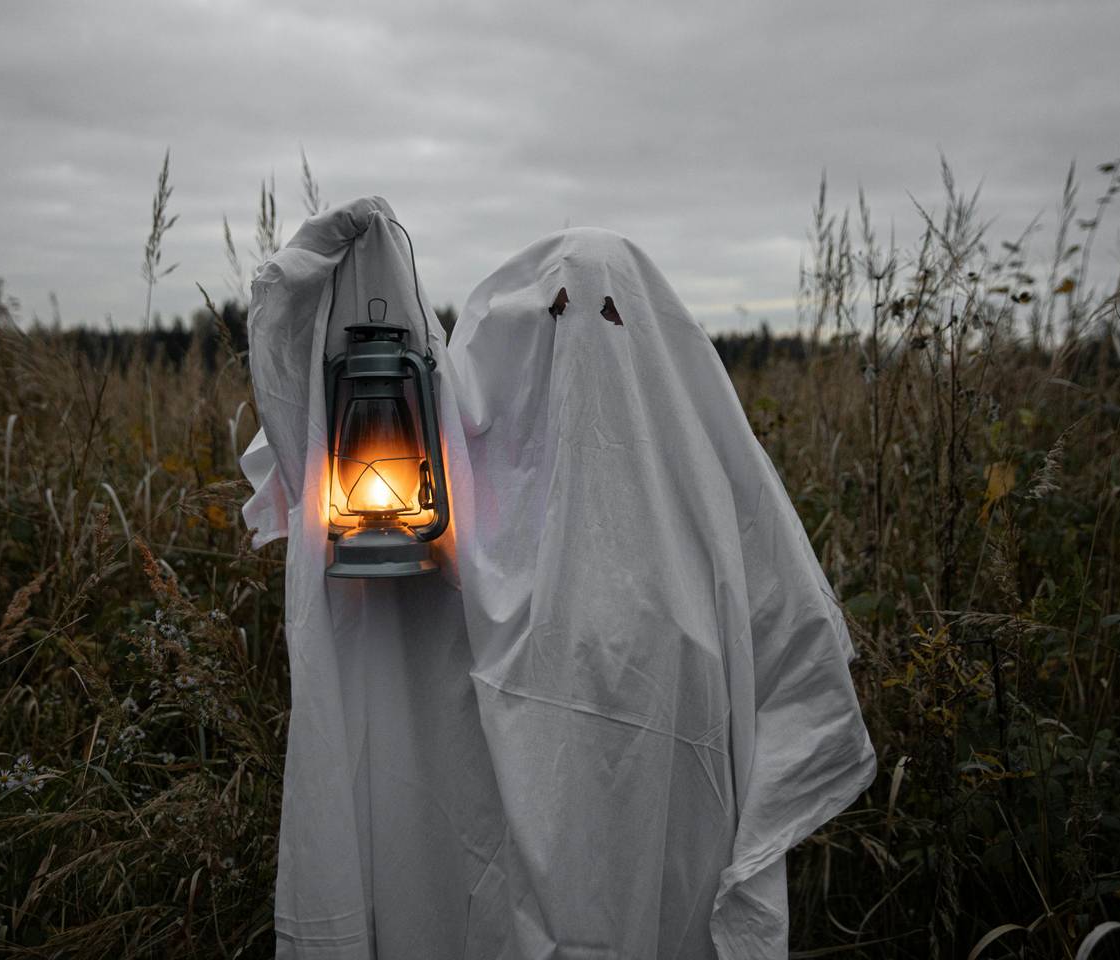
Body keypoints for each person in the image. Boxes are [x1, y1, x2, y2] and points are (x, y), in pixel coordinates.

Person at [243, 200, 876, 959]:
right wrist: (331, 264)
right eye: (557, 316)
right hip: (479, 897)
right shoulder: (454, 520)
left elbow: (799, 665)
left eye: (609, 316)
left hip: (662, 887)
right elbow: (311, 427)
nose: (582, 343)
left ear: (647, 343)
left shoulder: (714, 521)